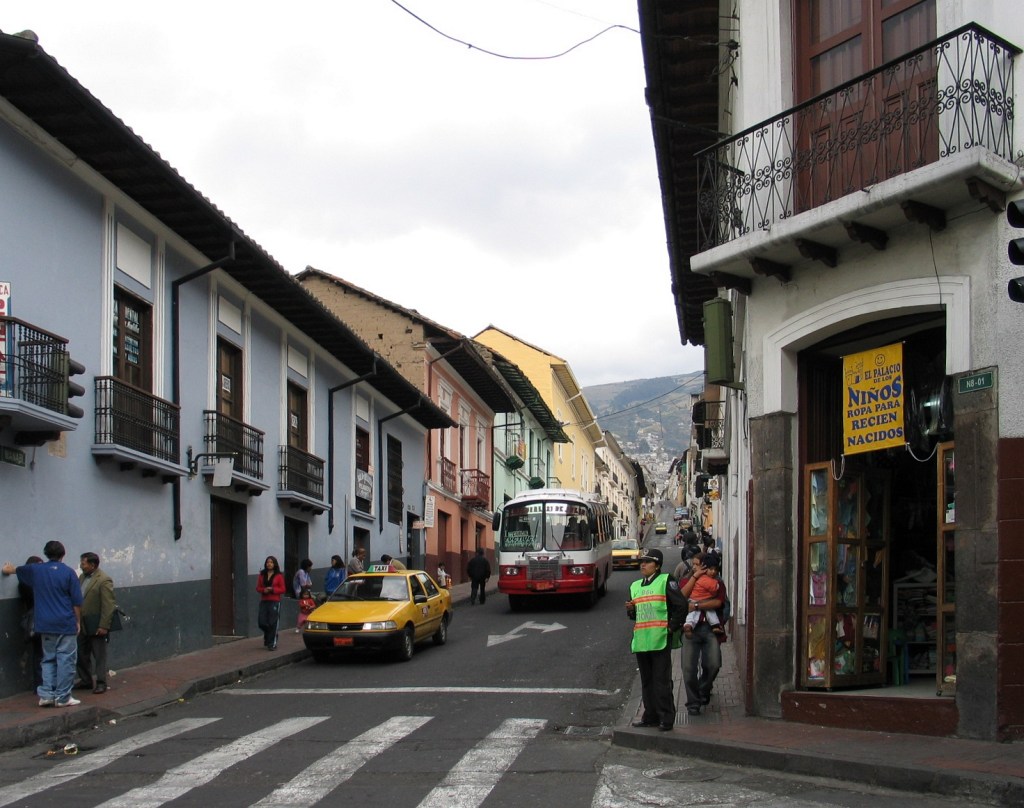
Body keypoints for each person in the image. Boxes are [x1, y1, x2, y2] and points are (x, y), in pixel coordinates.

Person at [2, 541, 84, 708]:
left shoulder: (36, 570)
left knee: (48, 659)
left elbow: (13, 570)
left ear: (46, 554)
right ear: (63, 554)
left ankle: (46, 695)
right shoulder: (68, 573)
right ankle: (63, 697)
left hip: (44, 623)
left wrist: (6, 570)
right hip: (65, 622)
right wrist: (78, 622)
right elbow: (76, 601)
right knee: (66, 660)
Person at [625, 548, 686, 731]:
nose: (643, 565)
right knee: (647, 681)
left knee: (661, 681)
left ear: (657, 565)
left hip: (660, 639)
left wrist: (671, 627)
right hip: (642, 640)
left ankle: (666, 718)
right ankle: (650, 716)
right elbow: (637, 615)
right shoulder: (635, 586)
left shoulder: (666, 580)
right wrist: (630, 610)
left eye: (648, 562)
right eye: (641, 561)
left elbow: (681, 605)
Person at [679, 551, 727, 716]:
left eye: (714, 568)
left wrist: (698, 605)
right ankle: (693, 702)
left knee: (713, 664)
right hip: (690, 629)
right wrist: (694, 578)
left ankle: (703, 689)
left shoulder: (717, 583)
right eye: (695, 566)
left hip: (710, 629)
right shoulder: (687, 580)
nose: (696, 567)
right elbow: (682, 597)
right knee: (688, 668)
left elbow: (718, 602)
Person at [76, 552, 117, 694]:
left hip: (96, 623)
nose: (81, 566)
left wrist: (104, 625)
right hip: (81, 623)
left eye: (83, 563)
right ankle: (86, 680)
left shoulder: (104, 580)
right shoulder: (81, 577)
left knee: (99, 654)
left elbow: (108, 604)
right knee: (81, 653)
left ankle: (101, 682)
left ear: (92, 565)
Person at [17, 556, 44, 691]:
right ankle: (41, 684)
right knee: (41, 654)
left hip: (34, 621)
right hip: (39, 620)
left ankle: (40, 684)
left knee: (39, 654)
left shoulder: (24, 583)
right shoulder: (30, 584)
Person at [256, 556, 286, 650]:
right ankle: (268, 635)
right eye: (268, 562)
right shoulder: (262, 574)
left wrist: (273, 589)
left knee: (273, 622)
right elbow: (258, 588)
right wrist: (263, 590)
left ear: (274, 564)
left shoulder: (279, 576)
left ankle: (272, 643)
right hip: (264, 600)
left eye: (271, 562)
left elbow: (283, 589)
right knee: (262, 622)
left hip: (274, 601)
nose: (269, 564)